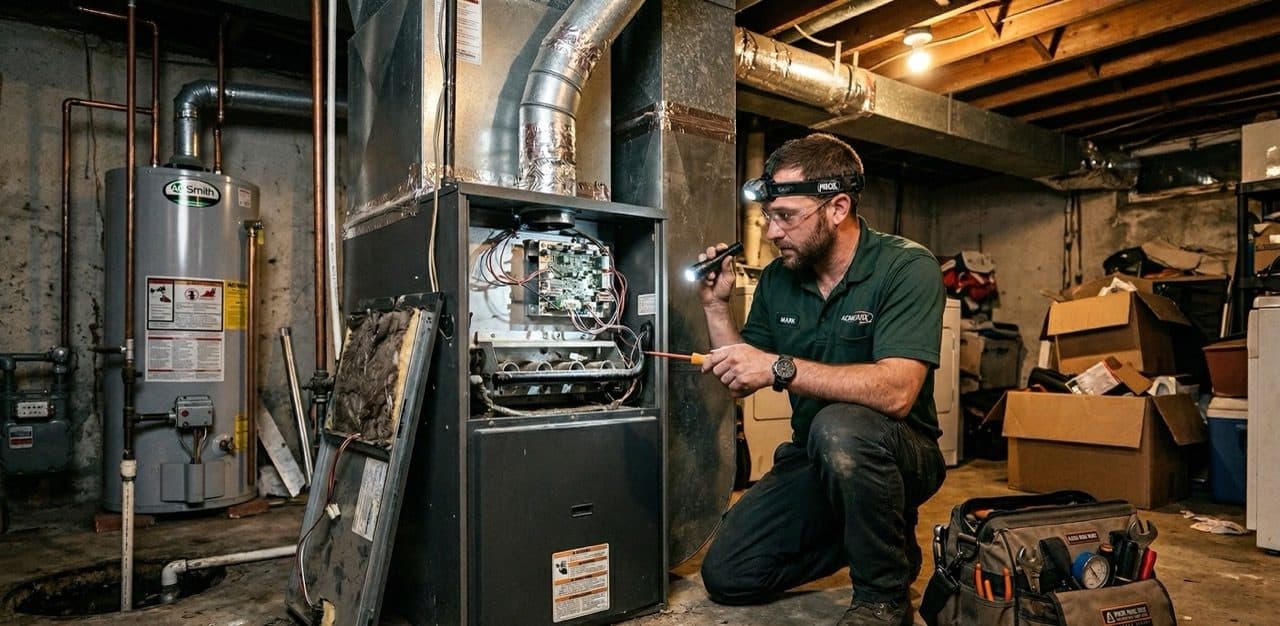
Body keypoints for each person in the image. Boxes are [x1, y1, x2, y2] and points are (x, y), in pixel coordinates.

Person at [696, 133, 947, 626]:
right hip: (815, 453)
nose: (772, 232)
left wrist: (780, 367)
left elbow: (898, 391)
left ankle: (882, 597)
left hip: (902, 451)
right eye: (769, 216)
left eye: (786, 216)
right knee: (728, 573)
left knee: (839, 428)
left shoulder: (906, 267)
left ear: (837, 207)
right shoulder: (777, 280)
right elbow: (739, 378)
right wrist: (715, 307)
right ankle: (881, 538)